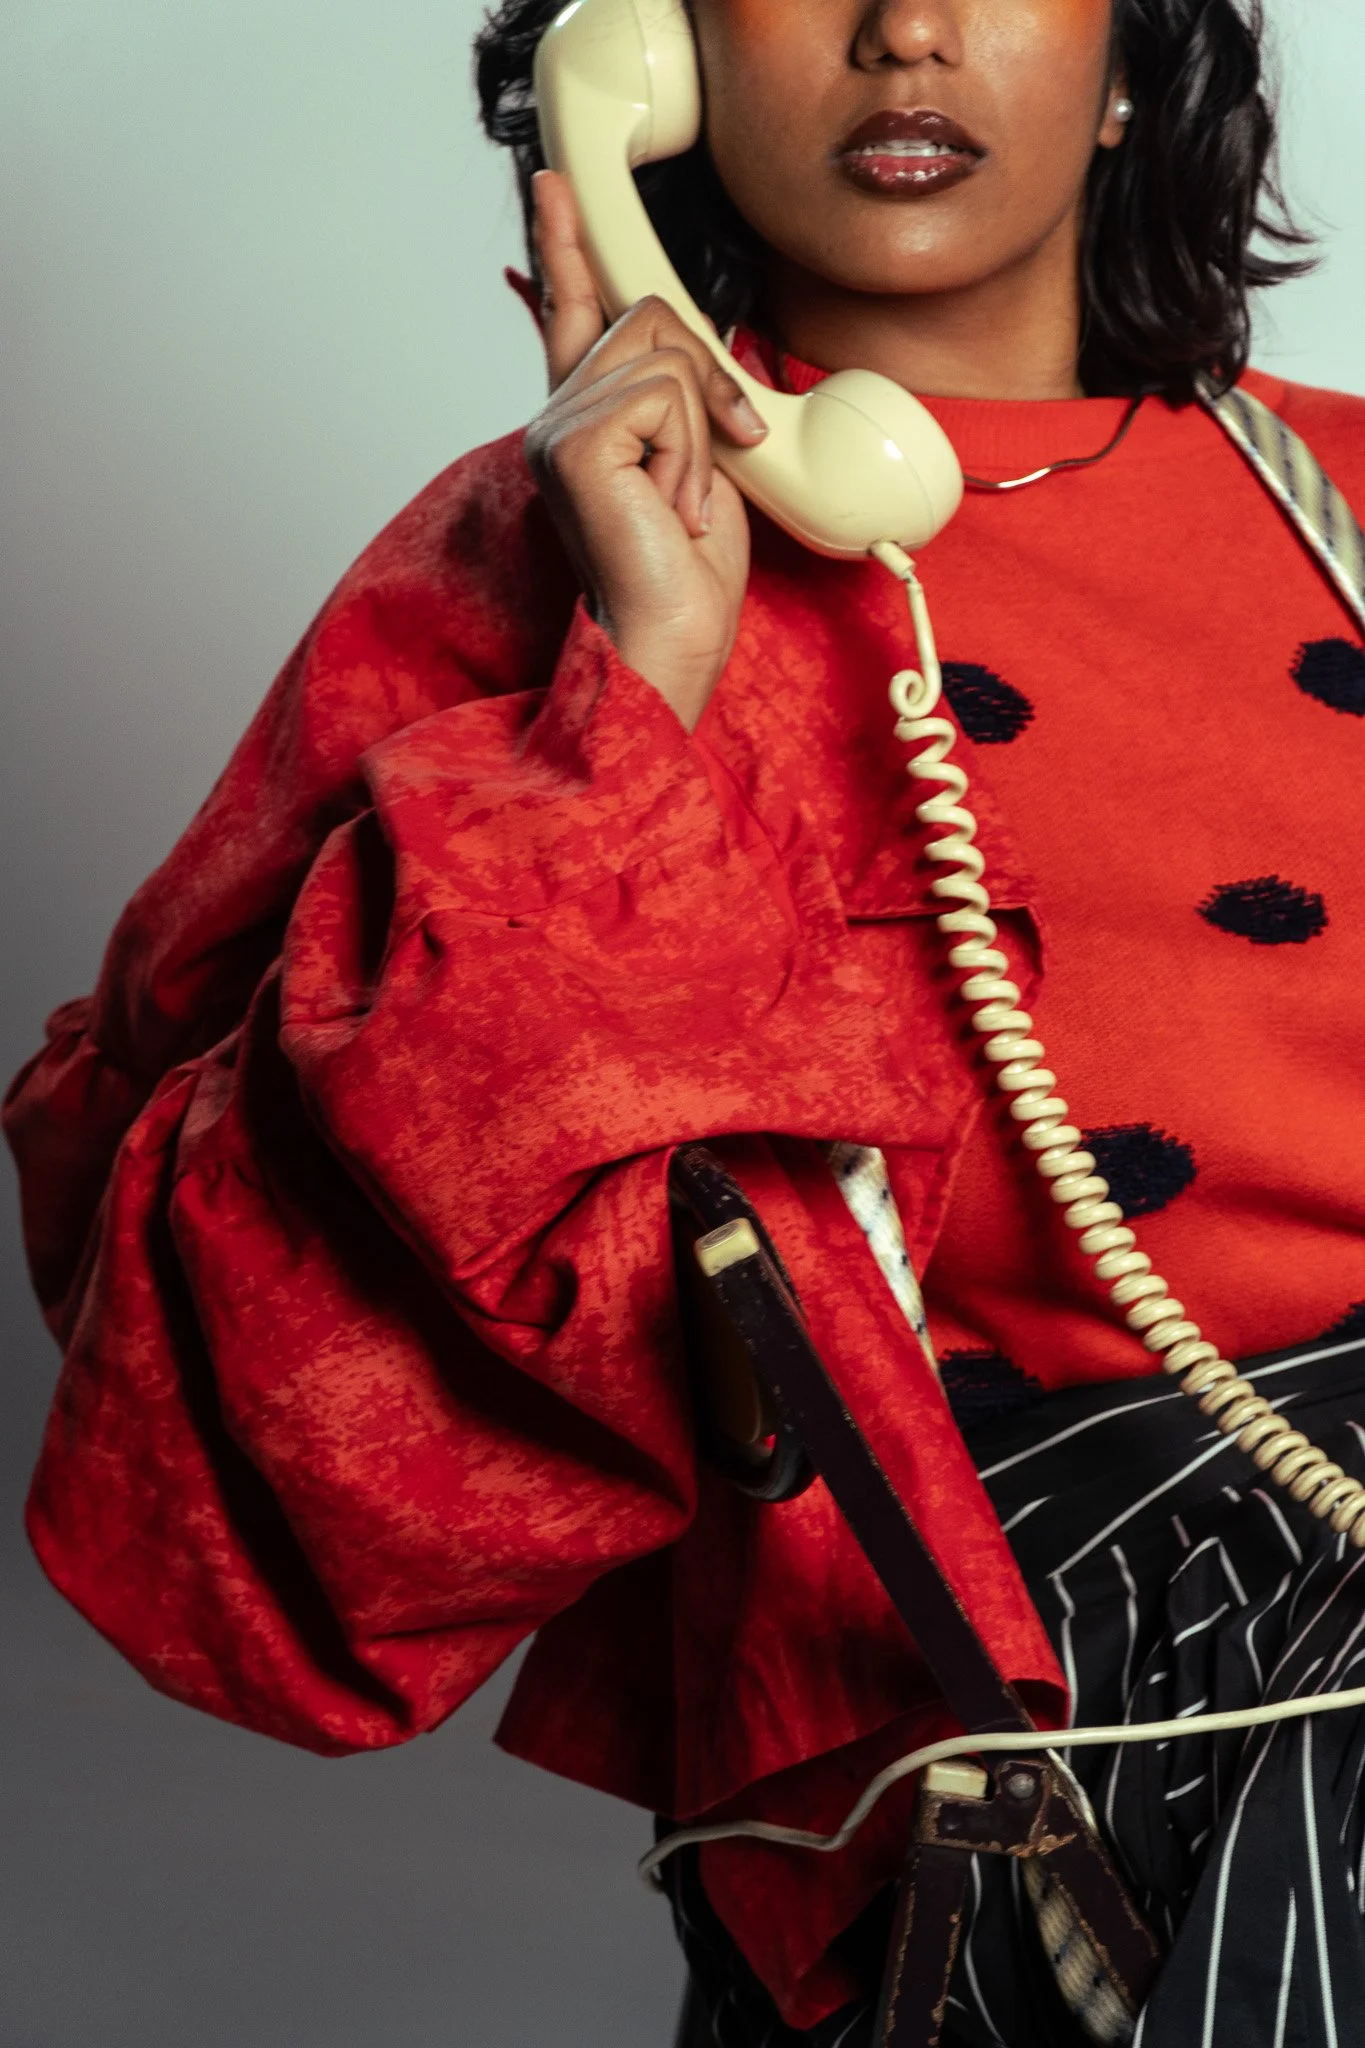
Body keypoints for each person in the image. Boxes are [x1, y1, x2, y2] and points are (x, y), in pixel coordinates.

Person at [8, 0, 1365, 2040]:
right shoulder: (540, 576)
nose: (901, 28)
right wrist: (635, 687)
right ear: (647, 60)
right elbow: (254, 1447)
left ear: (1128, 61)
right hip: (1010, 1768)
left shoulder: (1337, 501)